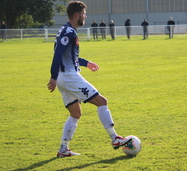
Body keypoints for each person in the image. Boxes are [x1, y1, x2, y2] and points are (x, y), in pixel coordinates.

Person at [47, 1, 132, 158]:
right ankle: (115, 139)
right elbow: (58, 54)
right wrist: (52, 77)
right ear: (77, 15)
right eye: (84, 14)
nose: (86, 16)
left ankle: (63, 149)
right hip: (69, 77)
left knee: (75, 113)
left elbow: (70, 57)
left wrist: (87, 63)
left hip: (63, 78)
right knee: (102, 101)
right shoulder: (69, 32)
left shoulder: (66, 30)